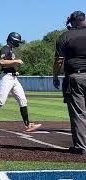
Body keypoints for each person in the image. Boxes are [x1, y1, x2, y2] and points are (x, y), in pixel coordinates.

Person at [0, 32, 42, 132]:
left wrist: (14, 68)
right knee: (0, 102)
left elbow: (8, 64)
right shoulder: (5, 49)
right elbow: (2, 62)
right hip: (6, 78)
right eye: (17, 42)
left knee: (23, 100)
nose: (18, 44)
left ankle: (28, 125)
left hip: (14, 78)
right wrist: (16, 61)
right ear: (12, 41)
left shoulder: (10, 50)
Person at [53, 11, 86, 155]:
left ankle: (81, 146)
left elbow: (59, 60)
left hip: (76, 77)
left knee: (79, 113)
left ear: (72, 22)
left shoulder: (65, 37)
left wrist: (55, 76)